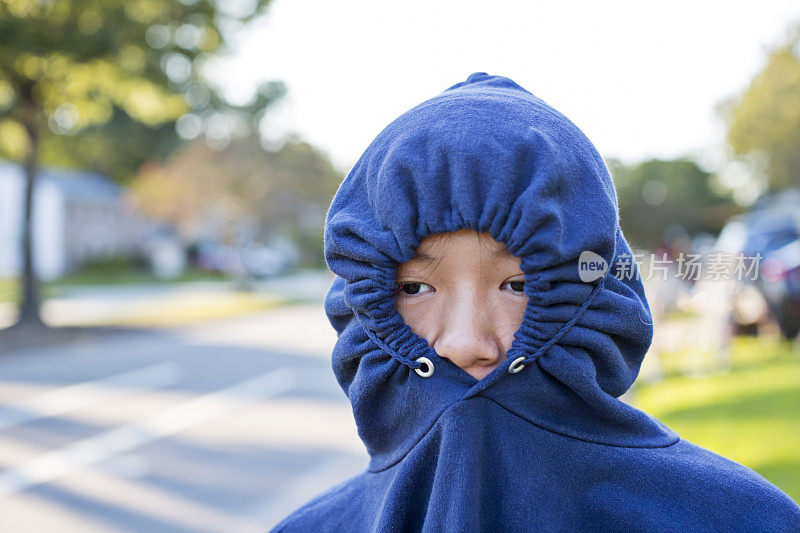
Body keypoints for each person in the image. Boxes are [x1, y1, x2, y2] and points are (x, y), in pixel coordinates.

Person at [271, 72, 800, 532]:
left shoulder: (740, 520)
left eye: (518, 285)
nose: (465, 343)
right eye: (416, 288)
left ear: (595, 297)